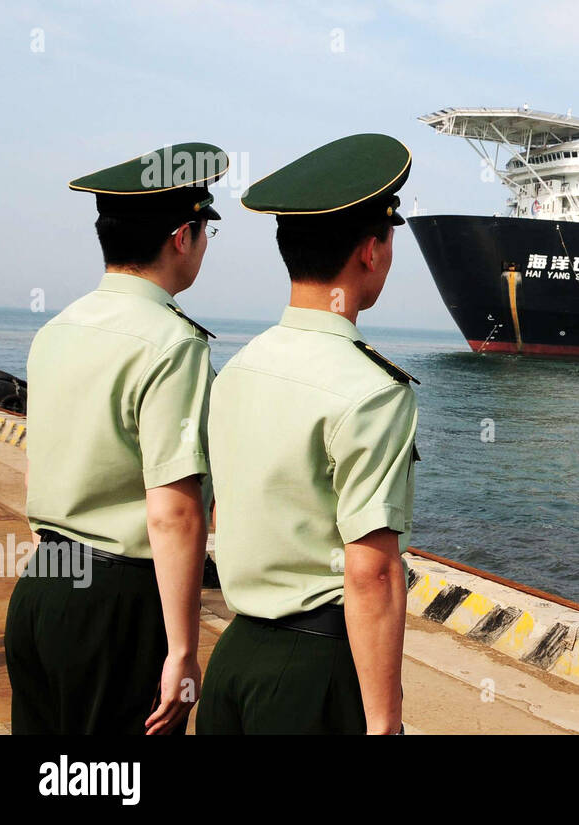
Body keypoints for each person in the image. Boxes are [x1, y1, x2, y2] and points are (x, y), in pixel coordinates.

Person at [197, 133, 419, 735]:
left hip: (235, 657)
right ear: (371, 251)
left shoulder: (238, 369)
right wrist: (384, 721)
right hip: (316, 670)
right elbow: (371, 571)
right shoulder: (373, 390)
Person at [5, 142, 224, 735]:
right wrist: (182, 648)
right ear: (182, 237)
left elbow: (39, 465)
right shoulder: (175, 344)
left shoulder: (56, 330)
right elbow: (175, 512)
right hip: (121, 602)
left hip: (44, 581)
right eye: (206, 232)